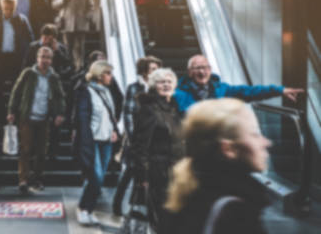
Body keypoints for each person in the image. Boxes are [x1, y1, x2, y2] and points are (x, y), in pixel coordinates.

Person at [162, 99, 272, 234]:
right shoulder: (234, 213)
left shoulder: (191, 192)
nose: (266, 142)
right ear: (229, 149)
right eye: (255, 134)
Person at [130, 68, 184, 230]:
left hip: (176, 169)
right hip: (159, 171)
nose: (166, 85)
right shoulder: (149, 109)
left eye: (169, 81)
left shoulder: (173, 107)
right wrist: (142, 176)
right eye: (162, 82)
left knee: (174, 214)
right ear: (154, 85)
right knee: (162, 215)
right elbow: (140, 145)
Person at [7, 47, 66, 193]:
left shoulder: (54, 77)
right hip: (27, 116)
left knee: (41, 151)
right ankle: (23, 180)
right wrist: (11, 110)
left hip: (44, 118)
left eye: (48, 57)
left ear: (51, 60)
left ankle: (37, 179)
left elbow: (60, 97)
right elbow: (16, 91)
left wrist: (60, 113)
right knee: (25, 149)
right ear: (37, 58)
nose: (45, 60)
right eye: (42, 57)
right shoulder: (28, 74)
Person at [113, 55, 162, 216]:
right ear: (144, 71)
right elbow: (127, 114)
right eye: (153, 69)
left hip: (153, 139)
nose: (157, 72)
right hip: (136, 139)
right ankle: (117, 204)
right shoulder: (134, 88)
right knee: (128, 172)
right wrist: (134, 139)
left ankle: (145, 209)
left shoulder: (160, 88)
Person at [74, 60, 120, 226]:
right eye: (108, 73)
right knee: (97, 176)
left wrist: (114, 130)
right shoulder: (85, 91)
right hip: (92, 140)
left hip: (106, 140)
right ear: (99, 75)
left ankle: (88, 210)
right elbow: (82, 118)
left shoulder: (107, 91)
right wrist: (85, 141)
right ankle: (83, 208)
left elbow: (110, 115)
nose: (111, 77)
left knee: (97, 177)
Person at [0, 0, 34, 137]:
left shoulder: (22, 20)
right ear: (2, 7)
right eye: (5, 9)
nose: (8, 12)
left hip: (15, 60)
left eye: (11, 9)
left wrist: (29, 59)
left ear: (15, 8)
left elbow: (30, 40)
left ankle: (14, 119)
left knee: (15, 90)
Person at [174, 54, 303, 113]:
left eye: (205, 67)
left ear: (210, 70)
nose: (202, 72)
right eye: (197, 68)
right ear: (190, 72)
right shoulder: (178, 93)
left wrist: (279, 90)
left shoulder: (222, 89)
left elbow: (249, 91)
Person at [52, 0, 94, 70]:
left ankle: (80, 67)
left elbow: (91, 5)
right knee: (68, 48)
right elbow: (54, 4)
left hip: (81, 24)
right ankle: (69, 67)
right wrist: (63, 0)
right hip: (67, 24)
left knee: (80, 48)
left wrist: (88, 16)